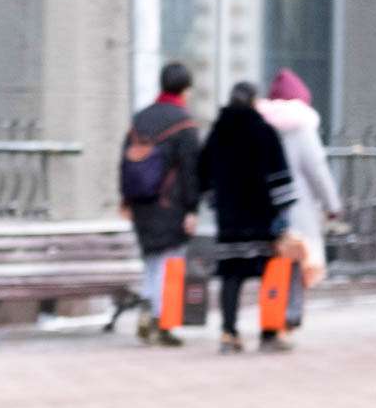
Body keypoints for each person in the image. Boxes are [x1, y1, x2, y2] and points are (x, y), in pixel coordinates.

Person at [199, 81, 296, 354]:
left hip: (230, 219)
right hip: (260, 218)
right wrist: (282, 213)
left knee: (231, 274)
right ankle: (269, 333)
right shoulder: (263, 131)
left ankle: (228, 333)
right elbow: (279, 174)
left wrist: (215, 201)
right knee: (269, 273)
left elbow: (203, 172)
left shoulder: (218, 132)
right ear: (254, 101)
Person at [120, 62, 201, 346]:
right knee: (171, 262)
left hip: (142, 202)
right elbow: (192, 171)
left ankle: (148, 309)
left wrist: (126, 199)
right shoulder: (184, 123)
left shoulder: (141, 118)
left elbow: (125, 159)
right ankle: (161, 322)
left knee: (152, 260)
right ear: (185, 89)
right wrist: (192, 209)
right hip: (172, 204)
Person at [256, 68, 342, 332]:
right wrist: (332, 205)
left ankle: (271, 315)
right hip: (298, 207)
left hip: (265, 207)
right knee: (295, 263)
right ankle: (286, 318)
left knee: (273, 264)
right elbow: (317, 170)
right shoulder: (302, 127)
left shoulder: (260, 125)